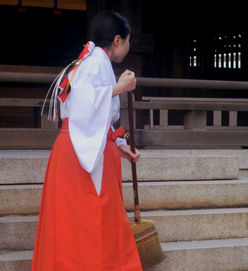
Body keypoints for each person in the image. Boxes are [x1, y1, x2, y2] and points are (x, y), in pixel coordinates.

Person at [31, 11, 143, 270]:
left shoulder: (90, 61)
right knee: (90, 221)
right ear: (117, 40)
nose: (128, 47)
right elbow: (84, 102)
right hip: (82, 155)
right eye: (128, 41)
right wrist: (118, 88)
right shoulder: (94, 63)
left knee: (82, 222)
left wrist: (118, 143)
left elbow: (96, 116)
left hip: (83, 146)